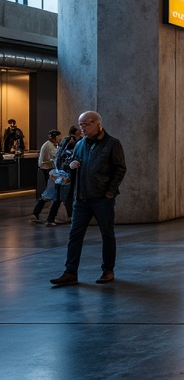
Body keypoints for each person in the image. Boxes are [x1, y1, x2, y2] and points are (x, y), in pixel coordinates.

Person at [50, 111, 127, 286]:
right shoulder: (80, 145)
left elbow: (120, 169)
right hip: (81, 199)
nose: (82, 128)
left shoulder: (112, 144)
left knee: (107, 234)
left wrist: (109, 193)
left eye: (86, 124)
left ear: (98, 124)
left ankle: (108, 270)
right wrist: (70, 167)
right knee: (74, 235)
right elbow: (70, 165)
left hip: (102, 198)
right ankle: (70, 272)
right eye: (80, 124)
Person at [31, 129, 60, 222]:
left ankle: (37, 214)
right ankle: (41, 215)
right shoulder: (50, 146)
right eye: (58, 137)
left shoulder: (49, 144)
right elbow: (57, 154)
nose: (59, 139)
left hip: (47, 169)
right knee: (51, 191)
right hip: (48, 170)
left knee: (50, 191)